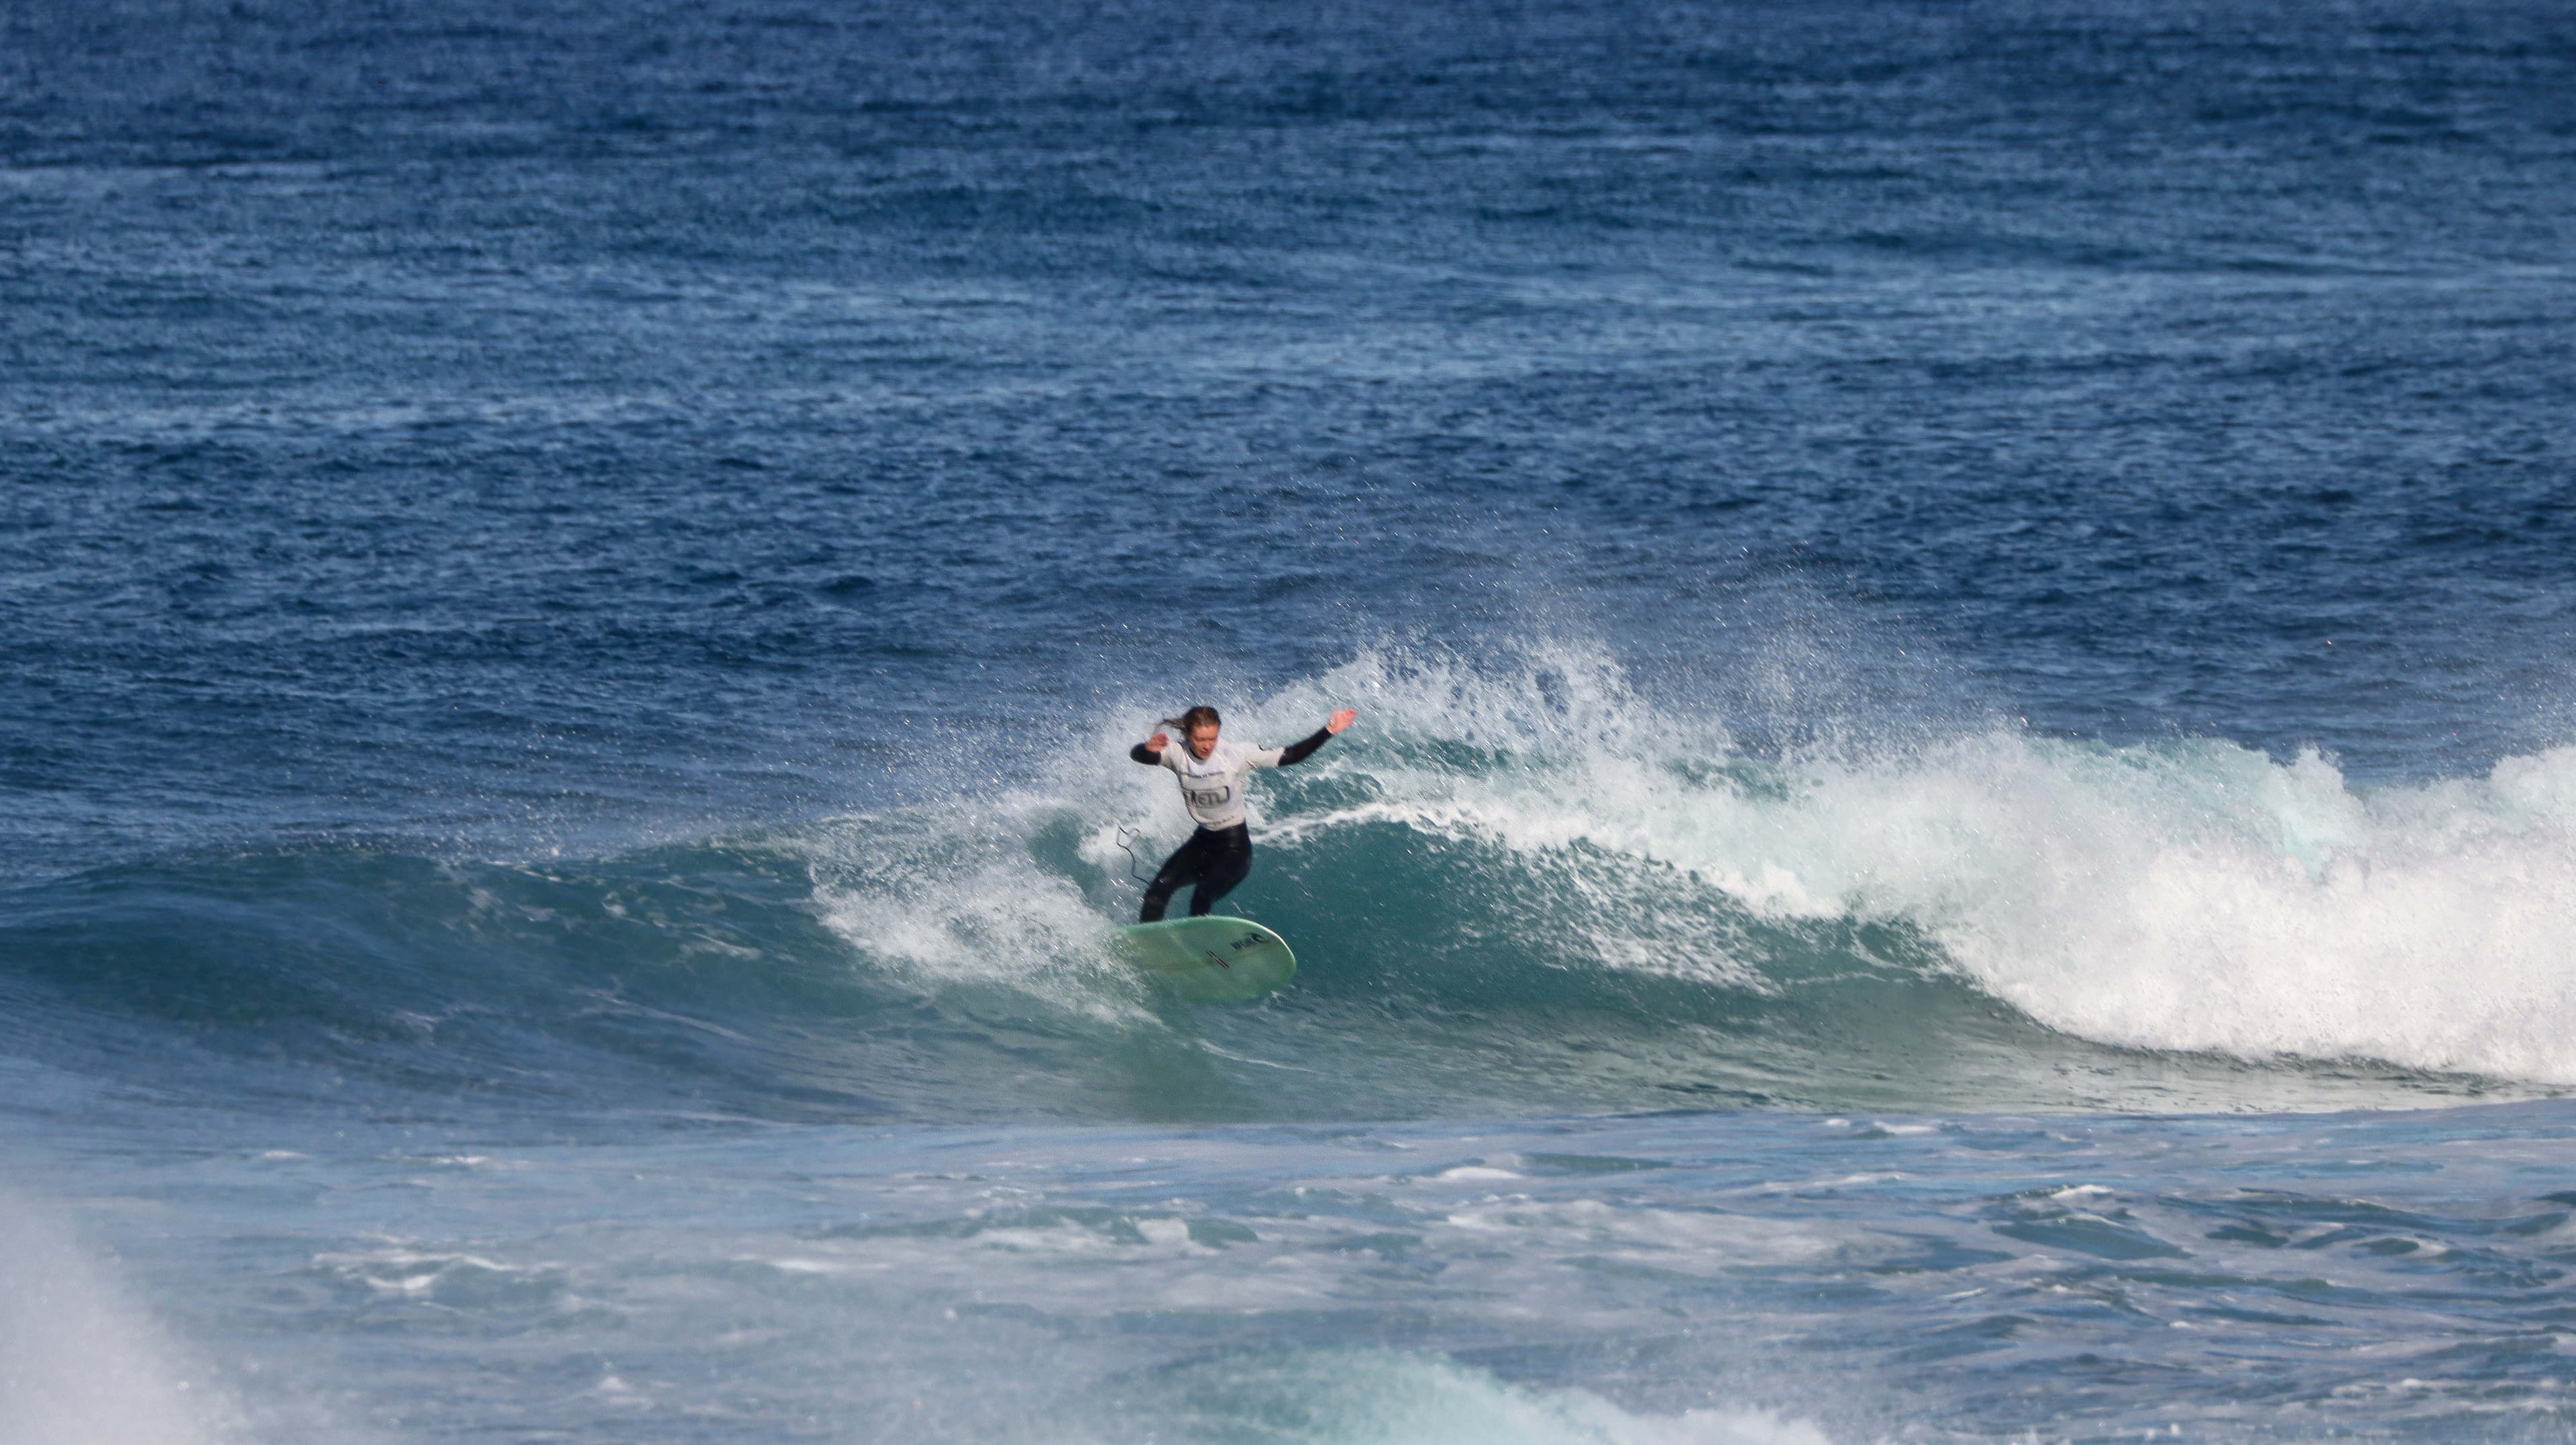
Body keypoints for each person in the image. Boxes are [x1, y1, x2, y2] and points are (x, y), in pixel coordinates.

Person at [1128, 704, 1358, 922]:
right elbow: (1139, 755)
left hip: (1234, 850)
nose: (1207, 745)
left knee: (1203, 895)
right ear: (1188, 735)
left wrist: (1328, 731)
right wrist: (1147, 749)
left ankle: (1205, 947)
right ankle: (1149, 947)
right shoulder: (1177, 754)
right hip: (1202, 844)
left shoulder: (1236, 755)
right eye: (1200, 739)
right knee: (1156, 892)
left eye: (1212, 738)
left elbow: (1291, 755)